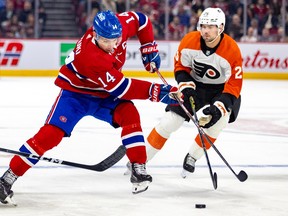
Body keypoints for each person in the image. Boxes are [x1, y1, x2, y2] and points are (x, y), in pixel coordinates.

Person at [0, 10, 179, 205]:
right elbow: (122, 88)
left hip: (105, 94)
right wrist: (158, 92)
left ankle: (138, 167)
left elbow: (141, 20)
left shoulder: (120, 25)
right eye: (106, 41)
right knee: (50, 135)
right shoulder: (90, 57)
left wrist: (148, 47)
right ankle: (7, 179)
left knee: (130, 114)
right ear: (95, 34)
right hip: (77, 96)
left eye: (116, 39)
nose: (112, 45)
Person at [142, 7, 243, 177]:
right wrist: (186, 86)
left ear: (221, 28)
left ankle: (192, 157)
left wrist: (219, 107)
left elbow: (234, 85)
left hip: (220, 91)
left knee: (216, 125)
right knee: (169, 122)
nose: (205, 30)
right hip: (194, 86)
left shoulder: (232, 50)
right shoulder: (189, 40)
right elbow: (181, 67)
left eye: (210, 27)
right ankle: (141, 159)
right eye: (203, 26)